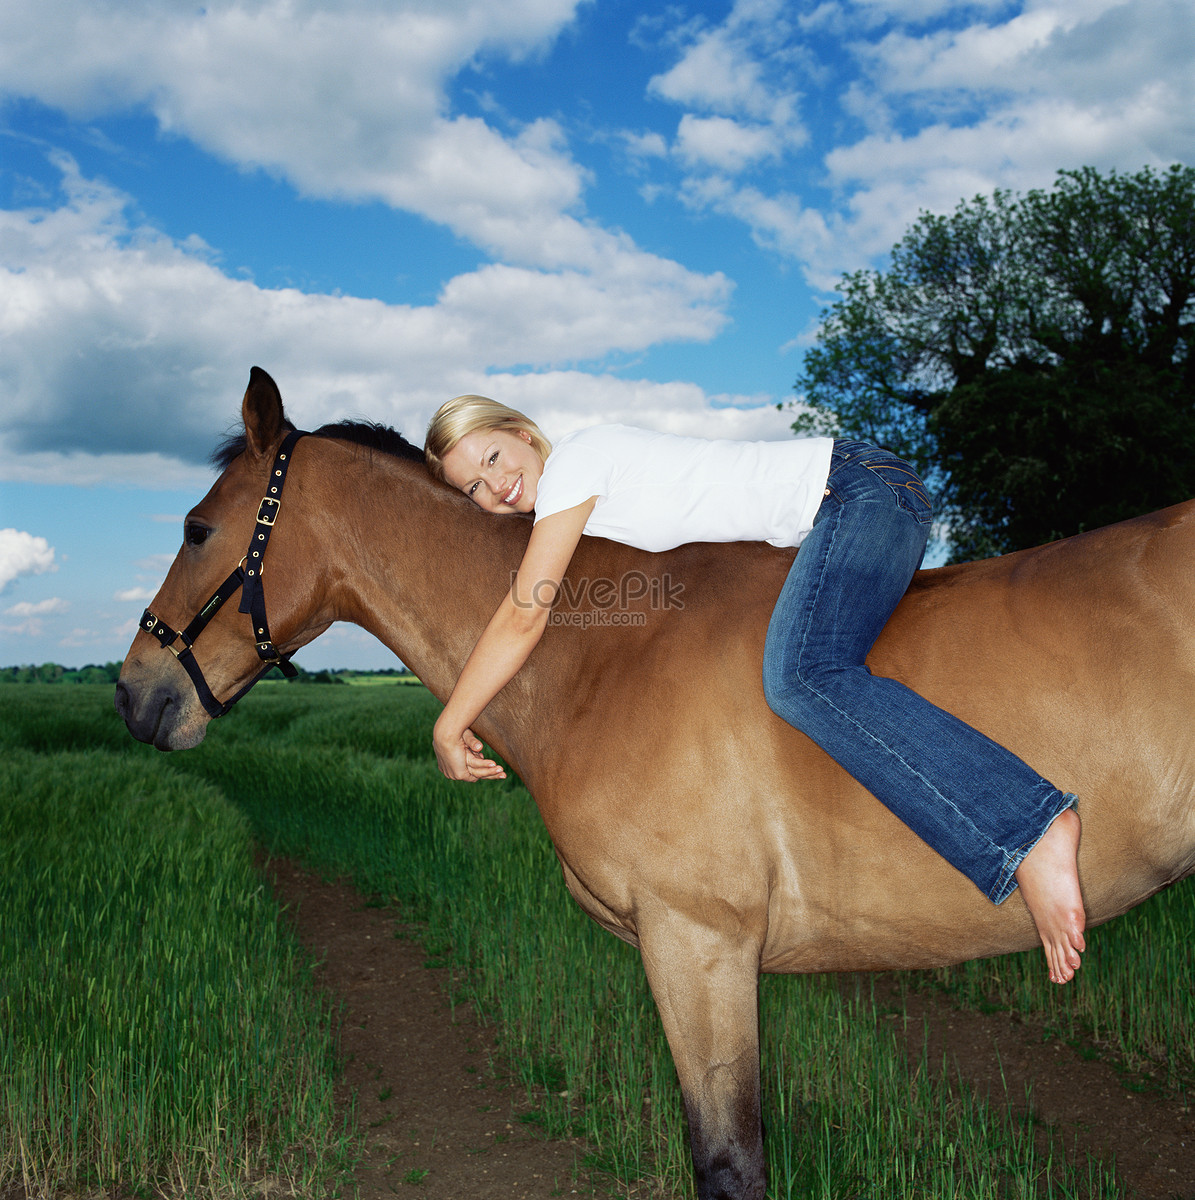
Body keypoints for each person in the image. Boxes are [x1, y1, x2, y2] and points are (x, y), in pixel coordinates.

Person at [423, 397, 1086, 984]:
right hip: (843, 505)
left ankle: (1029, 825)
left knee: (802, 676)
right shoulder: (585, 504)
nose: (495, 486)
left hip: (856, 491)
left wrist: (451, 722)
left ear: (519, 432)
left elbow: (525, 612)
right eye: (473, 488)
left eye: (492, 457)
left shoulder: (574, 466)